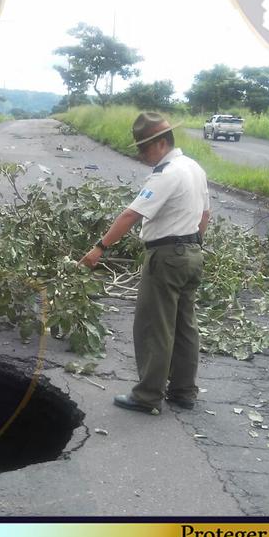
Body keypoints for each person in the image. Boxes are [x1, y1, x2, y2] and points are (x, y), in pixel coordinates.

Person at [79, 112, 210, 416]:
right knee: (184, 325)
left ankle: (148, 395)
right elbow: (205, 215)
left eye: (144, 149)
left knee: (155, 326)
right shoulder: (193, 167)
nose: (141, 156)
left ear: (161, 144)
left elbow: (130, 215)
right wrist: (193, 245)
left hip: (166, 257)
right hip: (192, 254)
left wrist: (100, 248)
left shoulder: (167, 174)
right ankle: (183, 391)